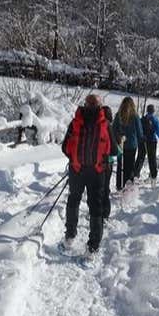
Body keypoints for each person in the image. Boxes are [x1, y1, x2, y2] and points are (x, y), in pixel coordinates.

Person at [60, 94, 116, 255]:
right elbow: (113, 150)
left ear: (85, 105)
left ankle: (70, 236)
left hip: (77, 170)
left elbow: (64, 147)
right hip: (97, 172)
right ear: (100, 106)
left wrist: (74, 159)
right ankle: (93, 248)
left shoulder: (76, 122)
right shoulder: (105, 124)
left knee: (73, 200)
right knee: (96, 207)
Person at [113, 96, 143, 188]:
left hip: (120, 144)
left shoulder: (118, 115)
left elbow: (113, 129)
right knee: (129, 166)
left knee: (120, 165)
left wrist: (118, 137)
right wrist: (141, 140)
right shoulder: (135, 116)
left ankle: (119, 185)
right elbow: (139, 131)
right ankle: (128, 185)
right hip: (131, 145)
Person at [100, 106, 120, 222]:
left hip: (95, 162)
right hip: (108, 162)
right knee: (105, 188)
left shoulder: (95, 125)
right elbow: (115, 150)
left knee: (97, 188)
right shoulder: (109, 126)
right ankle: (105, 214)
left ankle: (97, 212)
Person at [141, 104, 159, 182]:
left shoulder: (142, 119)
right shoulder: (155, 119)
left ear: (147, 110)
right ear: (153, 111)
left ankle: (136, 175)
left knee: (140, 158)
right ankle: (153, 176)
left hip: (143, 141)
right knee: (152, 159)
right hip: (152, 141)